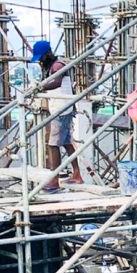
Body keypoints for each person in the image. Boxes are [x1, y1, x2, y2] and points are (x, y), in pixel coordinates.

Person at [32, 40, 83, 192]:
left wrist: (39, 87)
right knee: (66, 142)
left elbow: (57, 82)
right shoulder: (49, 67)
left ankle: (54, 179)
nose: (40, 61)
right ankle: (77, 174)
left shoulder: (58, 65)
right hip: (58, 108)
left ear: (48, 54)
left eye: (41, 57)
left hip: (62, 109)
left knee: (53, 144)